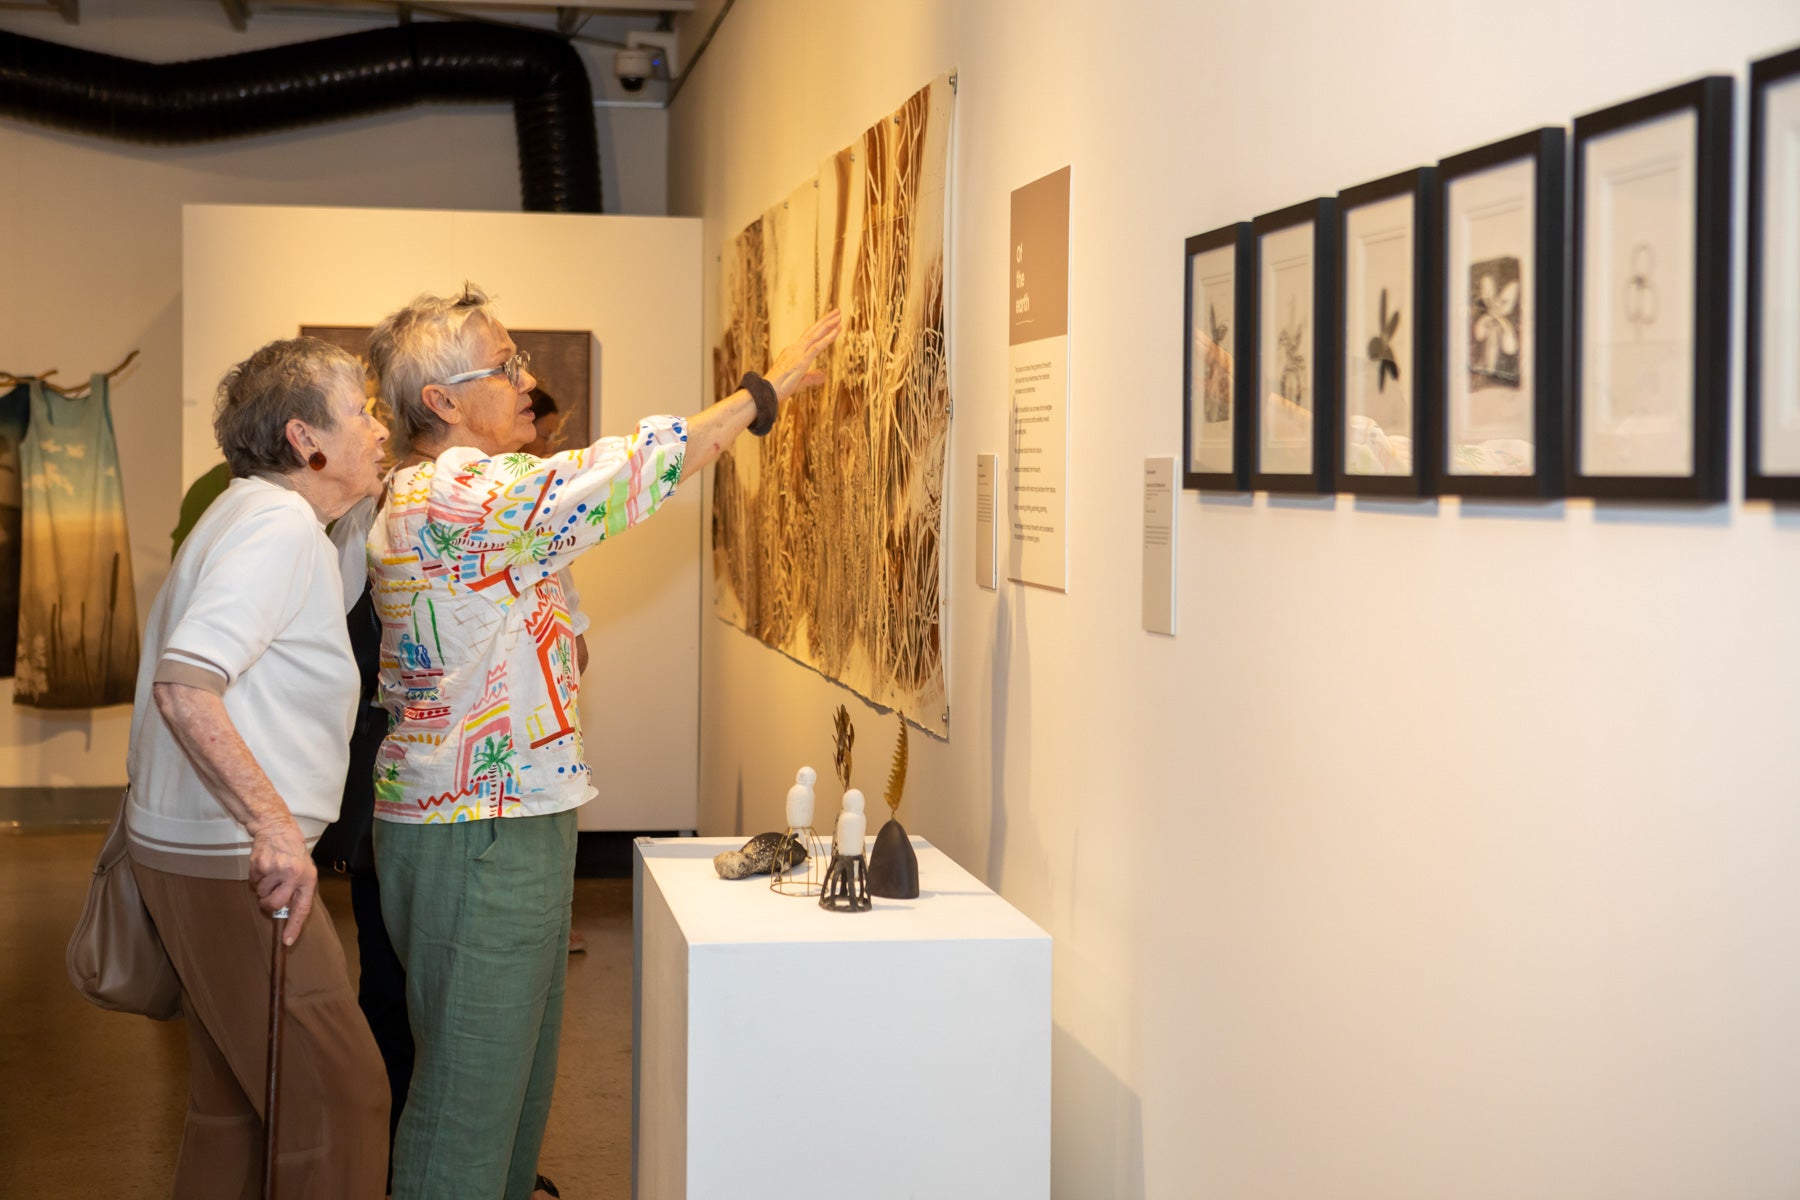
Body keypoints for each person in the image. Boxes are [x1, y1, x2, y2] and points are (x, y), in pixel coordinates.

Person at [363, 284, 840, 1200]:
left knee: (513, 1089)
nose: (527, 381)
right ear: (443, 402)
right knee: (467, 1101)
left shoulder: (457, 499)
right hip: (479, 828)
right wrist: (759, 397)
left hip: (506, 816)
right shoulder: (462, 492)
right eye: (506, 366)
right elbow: (621, 473)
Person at [124, 336, 392, 1199]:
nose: (381, 427)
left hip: (191, 847)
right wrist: (274, 829)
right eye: (363, 411)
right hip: (236, 860)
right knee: (343, 1100)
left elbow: (314, 605)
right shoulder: (277, 530)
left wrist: (364, 500)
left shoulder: (260, 514)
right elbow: (186, 685)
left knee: (233, 1105)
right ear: (305, 440)